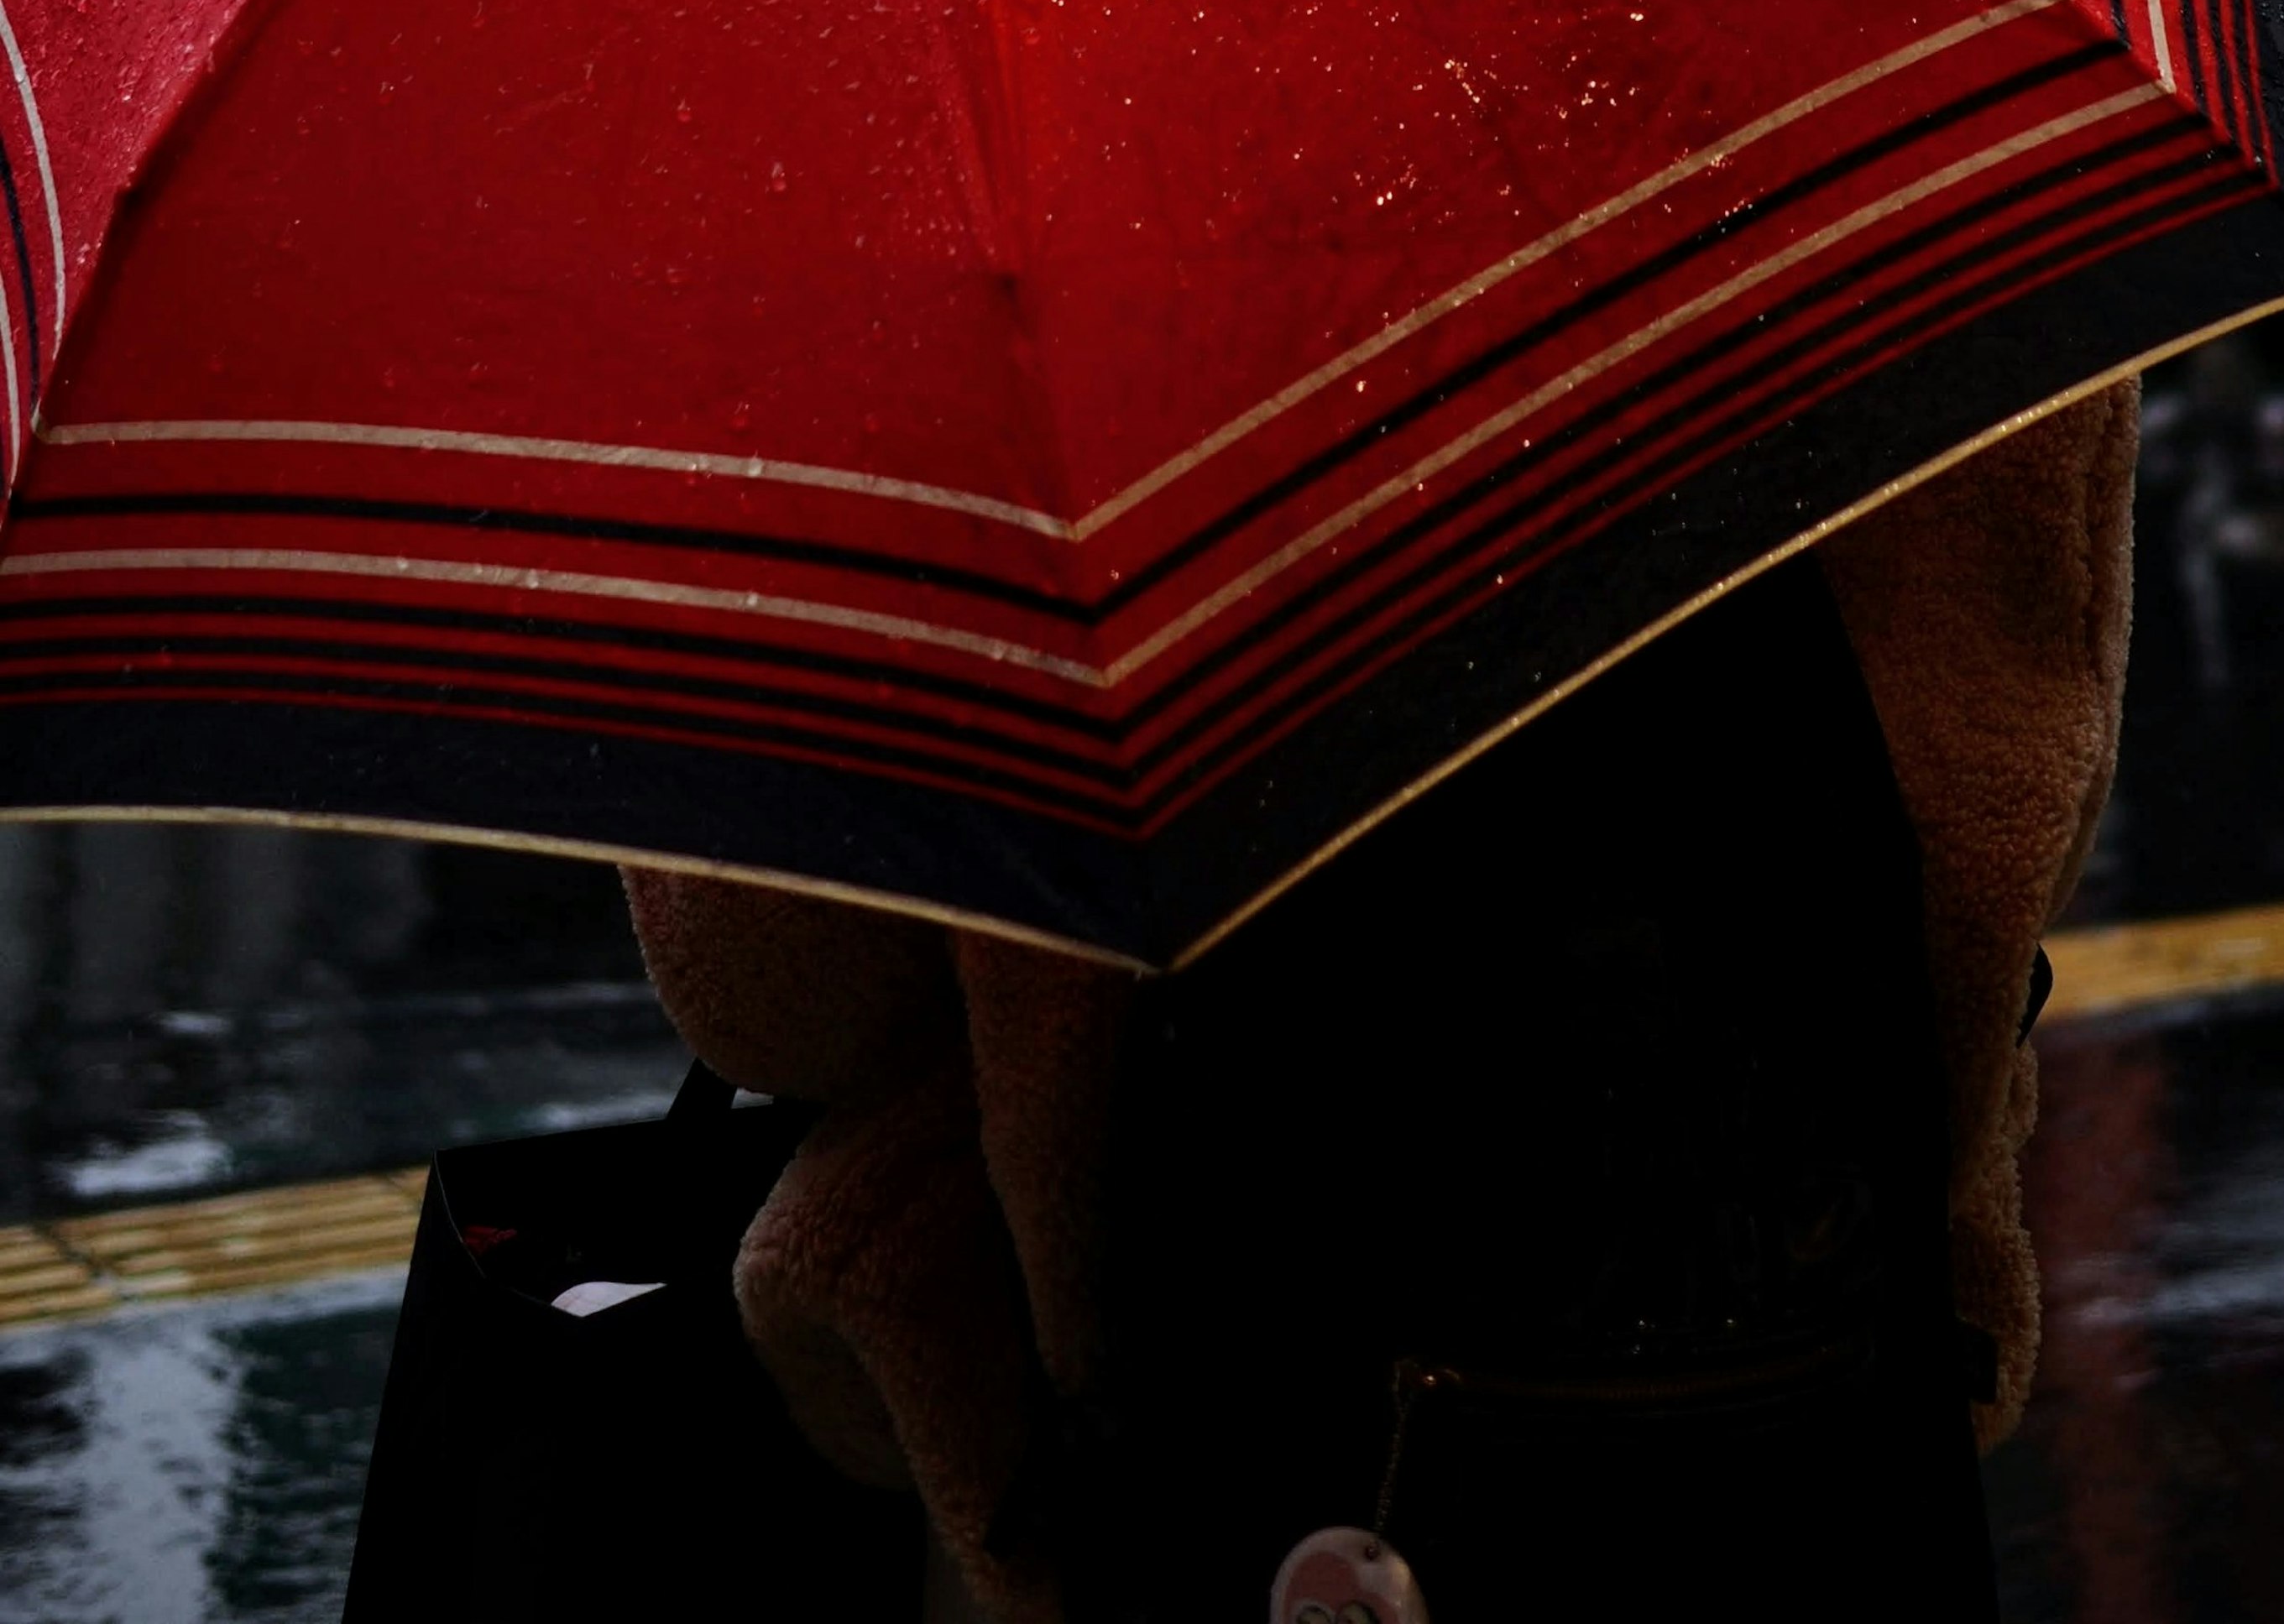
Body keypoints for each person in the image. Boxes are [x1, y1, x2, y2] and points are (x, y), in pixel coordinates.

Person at [623, 385, 2139, 1624]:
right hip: (1814, 1421)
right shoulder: (1911, 102)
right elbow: (2009, 819)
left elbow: (779, 992)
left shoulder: (975, 196)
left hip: (1231, 1437)